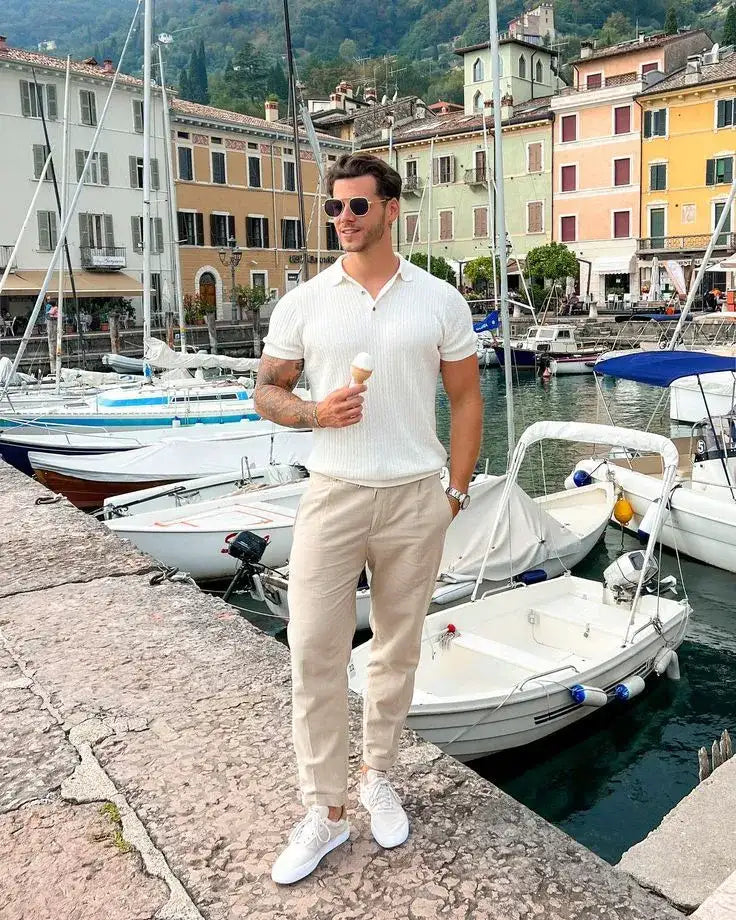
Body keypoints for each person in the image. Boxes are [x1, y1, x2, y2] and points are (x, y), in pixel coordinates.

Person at [254, 152, 482, 885]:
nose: (343, 219)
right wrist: (313, 412)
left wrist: (454, 492)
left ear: (391, 209)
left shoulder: (439, 300)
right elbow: (267, 390)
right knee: (313, 653)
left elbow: (467, 401)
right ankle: (324, 813)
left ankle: (378, 775)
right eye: (334, 208)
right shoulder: (305, 301)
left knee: (396, 651)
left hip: (417, 495)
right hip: (333, 493)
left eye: (358, 206)